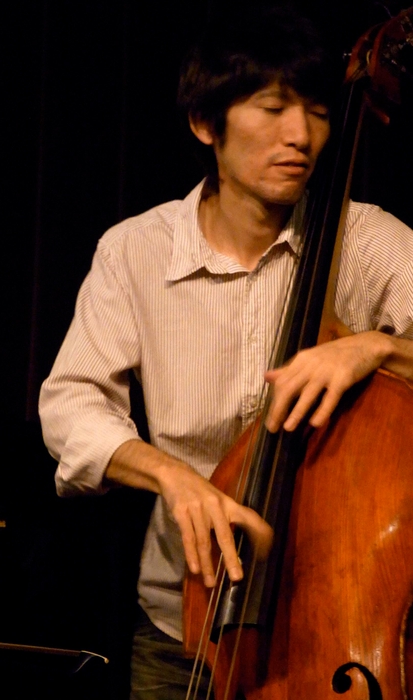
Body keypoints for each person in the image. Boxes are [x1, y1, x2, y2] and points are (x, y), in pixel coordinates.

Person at [39, 7, 413, 699]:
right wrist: (170, 476)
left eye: (317, 112)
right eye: (272, 109)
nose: (300, 136)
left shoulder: (368, 241)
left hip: (342, 612)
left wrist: (377, 346)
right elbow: (71, 403)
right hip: (185, 625)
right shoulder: (134, 251)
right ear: (205, 123)